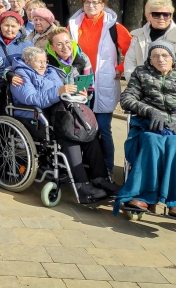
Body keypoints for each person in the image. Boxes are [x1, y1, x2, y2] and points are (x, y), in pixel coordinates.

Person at [117, 41, 176, 218]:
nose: (160, 59)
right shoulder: (142, 74)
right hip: (152, 126)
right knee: (152, 143)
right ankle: (144, 195)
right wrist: (149, 111)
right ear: (150, 59)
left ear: (172, 58)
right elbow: (127, 98)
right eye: (155, 56)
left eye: (165, 55)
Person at [10, 47, 117, 203]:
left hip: (59, 114)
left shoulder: (51, 72)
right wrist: (59, 92)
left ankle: (100, 178)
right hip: (35, 117)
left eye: (45, 61)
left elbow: (63, 92)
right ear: (27, 61)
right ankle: (81, 186)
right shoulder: (20, 76)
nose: (43, 65)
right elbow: (32, 98)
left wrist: (78, 93)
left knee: (87, 132)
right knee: (70, 135)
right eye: (39, 61)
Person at [69, 0, 132, 173]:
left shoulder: (114, 27)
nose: (91, 6)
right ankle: (86, 167)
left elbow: (131, 51)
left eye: (95, 2)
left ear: (103, 5)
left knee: (103, 128)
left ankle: (107, 169)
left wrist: (119, 69)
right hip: (81, 79)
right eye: (87, 2)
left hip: (104, 82)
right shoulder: (74, 25)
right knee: (82, 125)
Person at [123, 0, 176, 81]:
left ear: (171, 16)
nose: (161, 18)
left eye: (166, 14)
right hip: (139, 87)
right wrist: (135, 84)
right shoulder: (138, 36)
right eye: (156, 14)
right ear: (148, 16)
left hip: (169, 89)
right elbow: (130, 63)